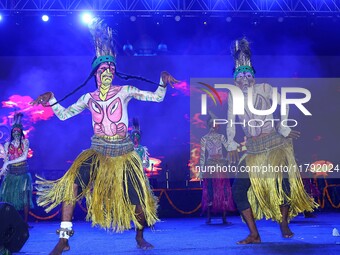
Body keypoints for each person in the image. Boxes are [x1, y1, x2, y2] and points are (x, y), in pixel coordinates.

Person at [31, 18, 178, 254]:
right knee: (71, 185)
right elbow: (65, 115)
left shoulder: (126, 91)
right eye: (102, 69)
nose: (106, 72)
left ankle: (139, 236)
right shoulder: (88, 98)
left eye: (110, 69)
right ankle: (64, 239)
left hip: (124, 154)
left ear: (114, 71)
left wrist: (161, 81)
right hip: (97, 151)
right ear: (95, 73)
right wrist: (51, 99)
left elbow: (157, 97)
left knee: (139, 204)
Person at [227, 38, 318, 244]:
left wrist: (283, 126)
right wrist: (230, 141)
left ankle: (284, 222)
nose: (244, 77)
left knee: (283, 183)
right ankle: (254, 234)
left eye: (247, 74)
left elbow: (283, 102)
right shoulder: (234, 97)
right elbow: (231, 121)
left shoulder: (265, 88)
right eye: (239, 75)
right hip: (253, 150)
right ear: (235, 79)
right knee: (238, 189)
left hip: (274, 145)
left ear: (253, 76)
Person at [199, 113, 235, 224]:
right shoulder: (205, 138)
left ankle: (219, 217)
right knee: (212, 190)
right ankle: (212, 218)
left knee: (220, 190)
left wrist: (228, 161)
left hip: (218, 166)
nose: (217, 126)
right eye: (216, 124)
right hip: (213, 166)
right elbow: (202, 156)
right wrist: (201, 170)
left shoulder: (220, 137)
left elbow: (229, 149)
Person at [0, 113, 34, 224]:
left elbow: (24, 157)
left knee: (24, 199)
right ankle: (10, 222)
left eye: (18, 131)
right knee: (8, 198)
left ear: (21, 132)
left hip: (23, 174)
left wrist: (7, 163)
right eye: (14, 131)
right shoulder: (7, 144)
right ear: (11, 132)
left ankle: (25, 222)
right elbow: (5, 161)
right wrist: (2, 172)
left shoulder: (25, 142)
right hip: (11, 174)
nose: (16, 133)